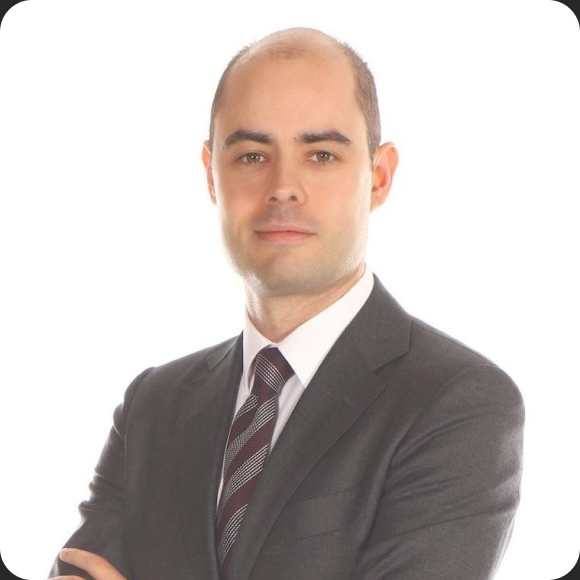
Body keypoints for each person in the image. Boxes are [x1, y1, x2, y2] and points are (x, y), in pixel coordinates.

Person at [49, 27, 524, 580]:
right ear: (211, 175)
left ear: (378, 177)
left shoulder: (456, 402)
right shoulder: (153, 405)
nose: (283, 187)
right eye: (252, 155)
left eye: (321, 154)